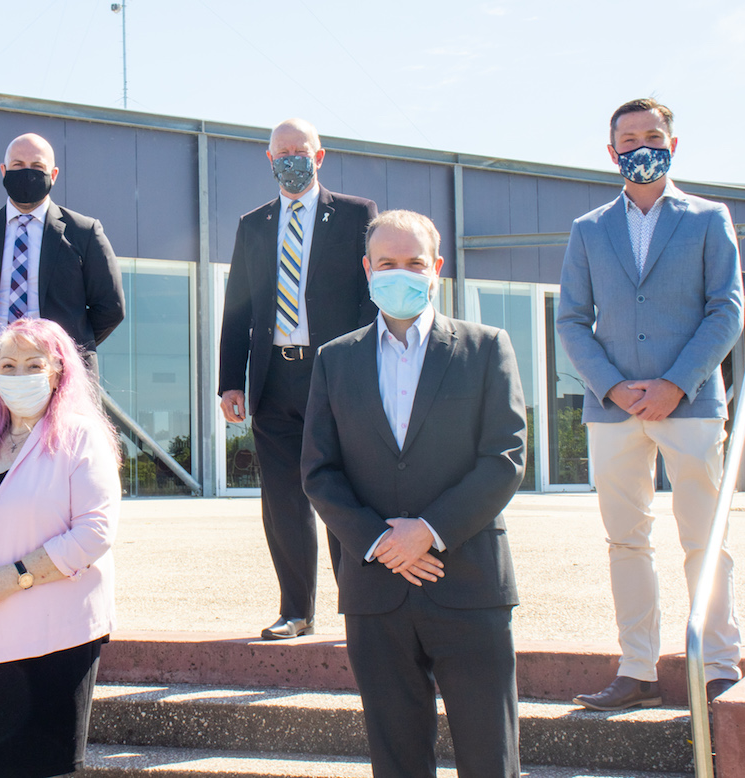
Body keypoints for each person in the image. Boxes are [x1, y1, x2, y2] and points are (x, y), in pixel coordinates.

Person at [302, 210, 526, 778]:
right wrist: (380, 540)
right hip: (376, 588)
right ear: (367, 270)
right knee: (396, 759)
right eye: (387, 263)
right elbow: (319, 473)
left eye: (414, 263)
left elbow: (504, 458)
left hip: (469, 583)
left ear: (437, 270)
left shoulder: (486, 348)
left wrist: (426, 531)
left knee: (489, 757)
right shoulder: (335, 359)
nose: (400, 274)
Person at [558, 98, 745, 711]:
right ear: (611, 151)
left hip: (688, 405)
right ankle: (636, 669)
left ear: (671, 143)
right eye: (629, 137)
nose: (642, 144)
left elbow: (726, 310)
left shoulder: (708, 218)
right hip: (613, 410)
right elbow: (571, 322)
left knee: (703, 538)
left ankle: (717, 665)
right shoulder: (588, 229)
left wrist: (676, 383)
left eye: (653, 135)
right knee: (625, 540)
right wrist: (614, 386)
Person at [0, 317, 121, 778]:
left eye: (34, 364)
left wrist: (10, 578)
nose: (20, 376)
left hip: (55, 635)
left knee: (45, 768)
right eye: (7, 366)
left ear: (59, 371)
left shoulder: (80, 436)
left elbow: (95, 530)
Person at [218, 118, 377, 640]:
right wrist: (230, 381)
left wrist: (362, 367)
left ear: (319, 156)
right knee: (283, 499)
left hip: (334, 374)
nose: (291, 159)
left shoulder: (356, 215)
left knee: (341, 492)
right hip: (273, 380)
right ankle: (296, 610)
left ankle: (357, 606)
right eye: (281, 152)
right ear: (268, 159)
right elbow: (237, 307)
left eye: (300, 150)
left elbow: (367, 298)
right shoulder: (254, 224)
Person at [0, 132, 126, 430]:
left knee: (57, 471)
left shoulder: (84, 232)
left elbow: (111, 307)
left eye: (37, 167)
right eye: (17, 164)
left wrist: (63, 351)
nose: (27, 172)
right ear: (3, 171)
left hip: (59, 381)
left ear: (53, 174)